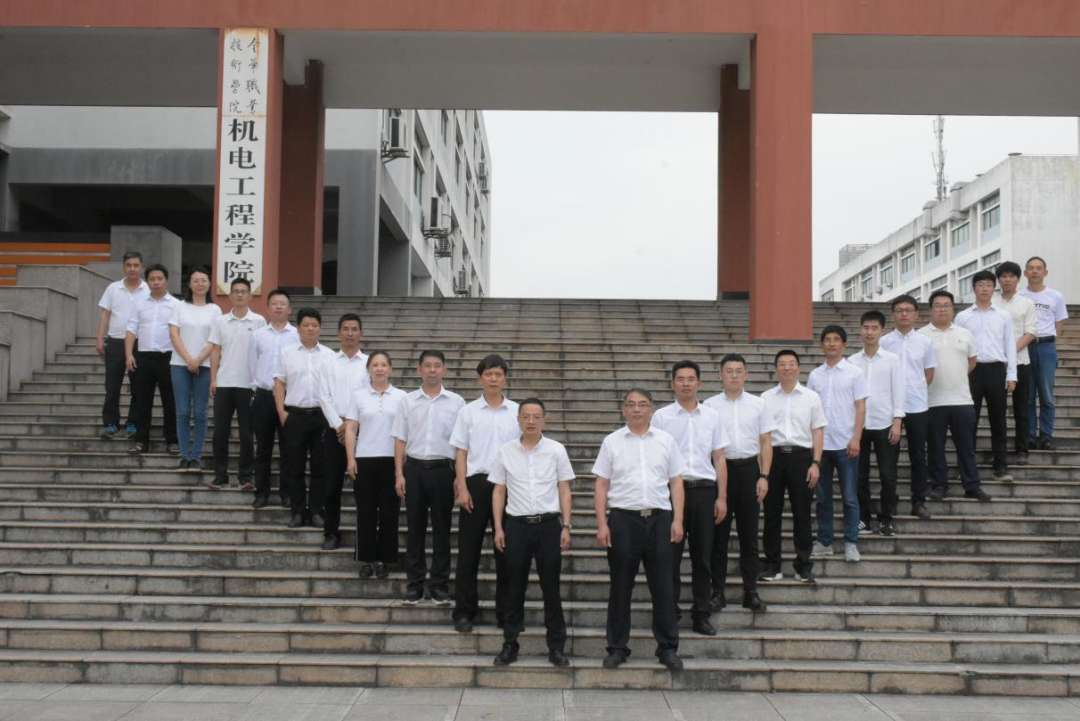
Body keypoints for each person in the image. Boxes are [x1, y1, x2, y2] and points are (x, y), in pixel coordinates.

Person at [593, 388, 685, 671]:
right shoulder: (612, 442)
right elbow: (601, 484)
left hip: (660, 519)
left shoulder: (666, 441)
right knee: (620, 586)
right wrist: (602, 523)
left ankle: (667, 648)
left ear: (651, 410)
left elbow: (676, 482)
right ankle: (617, 647)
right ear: (623, 410)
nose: (636, 409)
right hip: (623, 520)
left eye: (642, 405)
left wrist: (678, 519)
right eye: (631, 405)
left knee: (664, 587)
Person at [489, 398, 575, 668]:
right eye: (525, 416)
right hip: (516, 526)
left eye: (536, 416)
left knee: (552, 589)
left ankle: (556, 647)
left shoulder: (556, 450)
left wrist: (566, 525)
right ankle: (510, 645)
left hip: (549, 526)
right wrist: (499, 527)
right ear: (518, 420)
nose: (531, 421)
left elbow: (564, 489)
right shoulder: (505, 451)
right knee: (513, 588)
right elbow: (499, 491)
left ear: (544, 420)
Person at [651, 360, 729, 637]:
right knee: (669, 556)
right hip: (673, 492)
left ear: (699, 383)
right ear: (672, 383)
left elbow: (719, 458)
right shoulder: (661, 417)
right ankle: (670, 612)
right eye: (680, 379)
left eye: (690, 379)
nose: (685, 383)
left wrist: (722, 497)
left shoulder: (712, 416)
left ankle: (701, 613)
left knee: (702, 556)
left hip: (705, 491)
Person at [449, 354, 519, 633]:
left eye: (498, 374)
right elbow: (460, 452)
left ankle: (507, 614)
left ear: (505, 378)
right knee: (468, 551)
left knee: (508, 552)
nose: (493, 379)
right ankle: (464, 612)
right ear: (480, 378)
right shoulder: (468, 412)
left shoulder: (517, 412)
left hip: (509, 487)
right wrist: (462, 486)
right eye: (489, 374)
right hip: (476, 485)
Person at [393, 350, 466, 605]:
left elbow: (461, 444)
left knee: (442, 530)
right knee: (415, 529)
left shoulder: (457, 402)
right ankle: (414, 585)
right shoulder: (408, 401)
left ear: (444, 370)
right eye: (427, 365)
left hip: (443, 471)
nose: (432, 370)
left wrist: (459, 477)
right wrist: (399, 474)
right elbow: (400, 439)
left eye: (437, 365)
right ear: (419, 370)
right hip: (413, 469)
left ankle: (439, 586)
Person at [704, 353, 773, 614]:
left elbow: (766, 442)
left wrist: (764, 476)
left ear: (746, 374)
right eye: (729, 371)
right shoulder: (709, 406)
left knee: (749, 537)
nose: (734, 375)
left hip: (749, 471)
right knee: (718, 538)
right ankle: (717, 592)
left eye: (738, 371)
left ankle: (750, 592)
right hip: (720, 473)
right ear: (720, 375)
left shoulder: (758, 404)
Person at [759, 350, 825, 585]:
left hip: (801, 458)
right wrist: (763, 470)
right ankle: (772, 566)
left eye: (791, 364)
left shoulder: (811, 397)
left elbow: (818, 431)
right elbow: (762, 436)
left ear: (799, 368)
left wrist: (816, 463)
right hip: (774, 457)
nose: (786, 368)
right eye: (782, 364)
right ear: (776, 368)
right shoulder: (765, 398)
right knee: (771, 514)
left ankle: (803, 566)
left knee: (802, 513)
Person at [920, 290, 991, 502]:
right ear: (930, 309)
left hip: (962, 400)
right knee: (935, 447)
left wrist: (956, 375)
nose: (942, 309)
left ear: (953, 309)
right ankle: (939, 485)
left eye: (946, 305)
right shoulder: (921, 336)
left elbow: (972, 362)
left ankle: (972, 486)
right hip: (932, 401)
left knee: (966, 447)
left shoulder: (965, 333)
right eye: (937, 305)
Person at [807, 326, 869, 562]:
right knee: (823, 497)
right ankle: (825, 541)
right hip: (822, 446)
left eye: (836, 340)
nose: (832, 344)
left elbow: (861, 407)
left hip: (846, 443)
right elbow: (810, 411)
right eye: (827, 340)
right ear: (822, 344)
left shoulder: (855, 373)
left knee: (850, 497)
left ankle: (851, 541)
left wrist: (856, 438)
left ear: (844, 345)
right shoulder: (815, 375)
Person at [345, 351, 406, 580]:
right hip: (365, 459)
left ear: (390, 368)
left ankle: (385, 560)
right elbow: (351, 429)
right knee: (366, 512)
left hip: (392, 460)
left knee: (390, 512)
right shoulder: (358, 396)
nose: (379, 369)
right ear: (368, 369)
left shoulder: (401, 397)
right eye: (375, 365)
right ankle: (366, 559)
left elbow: (404, 432)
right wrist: (351, 459)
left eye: (383, 365)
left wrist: (401, 466)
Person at [274, 308, 336, 528]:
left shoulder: (329, 355)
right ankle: (298, 512)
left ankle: (317, 510)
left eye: (314, 325)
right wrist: (282, 413)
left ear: (320, 328)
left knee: (321, 467)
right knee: (294, 466)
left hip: (321, 417)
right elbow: (279, 384)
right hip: (295, 416)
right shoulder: (287, 353)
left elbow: (335, 388)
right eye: (306, 325)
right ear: (298, 328)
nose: (310, 329)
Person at [956, 270, 1017, 483]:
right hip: (971, 371)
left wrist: (1012, 374)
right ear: (974, 288)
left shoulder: (1003, 315)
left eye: (989, 285)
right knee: (968, 421)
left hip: (996, 370)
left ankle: (1000, 466)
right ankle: (966, 466)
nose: (984, 289)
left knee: (998, 421)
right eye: (980, 285)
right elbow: (958, 347)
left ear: (994, 288)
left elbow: (1010, 345)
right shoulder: (963, 317)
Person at [315, 313, 369, 551]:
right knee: (331, 486)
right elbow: (322, 396)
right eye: (345, 329)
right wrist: (340, 424)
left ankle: (364, 539)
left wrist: (352, 424)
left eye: (354, 329)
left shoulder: (369, 363)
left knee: (363, 489)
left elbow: (370, 395)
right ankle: (331, 533)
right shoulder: (328, 362)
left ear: (361, 334)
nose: (350, 333)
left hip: (362, 432)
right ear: (338, 333)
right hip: (334, 430)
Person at [849, 311, 905, 537]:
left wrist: (897, 421)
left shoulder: (892, 360)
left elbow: (899, 392)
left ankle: (887, 519)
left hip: (885, 424)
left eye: (874, 328)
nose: (869, 332)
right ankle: (864, 518)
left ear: (882, 331)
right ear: (860, 330)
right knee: (859, 475)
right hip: (859, 427)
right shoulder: (852, 362)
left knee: (887, 475)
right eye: (866, 327)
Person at [881, 294, 937, 519]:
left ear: (916, 314)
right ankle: (890, 499)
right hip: (889, 408)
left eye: (908, 310)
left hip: (917, 405)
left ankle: (919, 501)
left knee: (918, 455)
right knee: (889, 458)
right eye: (899, 310)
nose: (904, 314)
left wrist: (914, 390)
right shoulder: (884, 342)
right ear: (893, 314)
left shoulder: (925, 342)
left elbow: (929, 374)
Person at [207, 277, 266, 489]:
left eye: (243, 291)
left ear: (250, 296)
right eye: (236, 291)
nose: (240, 295)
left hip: (249, 385)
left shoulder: (259, 321)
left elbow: (263, 353)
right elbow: (215, 351)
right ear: (230, 295)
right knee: (219, 433)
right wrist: (213, 379)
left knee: (247, 434)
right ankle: (220, 475)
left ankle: (245, 476)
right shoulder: (220, 321)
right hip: (224, 383)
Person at [167, 268, 222, 471]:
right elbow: (174, 335)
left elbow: (215, 340)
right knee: (182, 412)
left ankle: (196, 456)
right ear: (189, 284)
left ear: (209, 283)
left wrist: (198, 359)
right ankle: (184, 455)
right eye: (196, 280)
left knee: (200, 412)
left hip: (205, 366)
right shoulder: (180, 306)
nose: (200, 283)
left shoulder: (215, 310)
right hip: (179, 365)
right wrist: (189, 359)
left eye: (203, 280)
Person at [249, 289, 299, 508]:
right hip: (263, 397)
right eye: (274, 303)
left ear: (289, 309)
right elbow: (252, 365)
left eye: (283, 303)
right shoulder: (258, 335)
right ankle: (261, 493)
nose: (279, 307)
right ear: (267, 309)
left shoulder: (296, 335)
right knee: (263, 448)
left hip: (289, 398)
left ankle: (286, 493)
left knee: (289, 448)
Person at [124, 264, 180, 455]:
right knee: (142, 401)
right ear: (147, 282)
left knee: (170, 401)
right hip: (143, 357)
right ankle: (141, 441)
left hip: (169, 358)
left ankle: (172, 440)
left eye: (160, 279)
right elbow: (131, 328)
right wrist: (129, 354)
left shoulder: (176, 305)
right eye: (152, 279)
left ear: (167, 281)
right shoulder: (139, 303)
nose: (156, 282)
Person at [95, 251, 148, 441]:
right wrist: (100, 338)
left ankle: (133, 423)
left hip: (140, 343)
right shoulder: (113, 288)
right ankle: (111, 423)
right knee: (112, 386)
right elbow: (105, 313)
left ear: (141, 267)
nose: (132, 269)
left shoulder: (148, 289)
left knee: (138, 387)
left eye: (136, 265)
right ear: (124, 267)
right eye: (129, 265)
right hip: (115, 341)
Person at [1020, 256, 1070, 450]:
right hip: (1025, 346)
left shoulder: (1055, 296)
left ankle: (1046, 435)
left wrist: (1048, 339)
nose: (1035, 271)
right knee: (1028, 395)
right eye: (1031, 268)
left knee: (1047, 396)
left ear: (1045, 272)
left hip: (1046, 347)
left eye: (1038, 268)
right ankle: (1031, 435)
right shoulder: (1020, 296)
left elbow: (1060, 322)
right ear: (1025, 273)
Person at [993, 262, 1038, 465]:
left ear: (1018, 279)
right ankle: (999, 451)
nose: (1007, 279)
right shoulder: (992, 302)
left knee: (1022, 409)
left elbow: (1031, 332)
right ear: (999, 279)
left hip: (1021, 362)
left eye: (1011, 276)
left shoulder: (1026, 303)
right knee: (997, 410)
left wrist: (1010, 352)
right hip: (997, 364)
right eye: (1003, 276)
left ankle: (1022, 449)